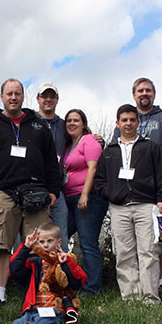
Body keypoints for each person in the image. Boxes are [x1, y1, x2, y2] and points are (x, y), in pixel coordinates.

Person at [0, 78, 61, 305]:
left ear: (23, 97)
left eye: (17, 94)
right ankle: (0, 293)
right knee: (0, 245)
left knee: (40, 245)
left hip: (37, 192)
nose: (13, 98)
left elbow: (52, 161)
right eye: (9, 94)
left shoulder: (38, 125)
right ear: (2, 97)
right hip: (3, 193)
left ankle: (39, 291)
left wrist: (53, 190)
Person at [94, 104, 162, 304]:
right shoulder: (109, 152)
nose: (128, 124)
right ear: (117, 123)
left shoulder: (150, 147)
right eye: (124, 120)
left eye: (132, 120)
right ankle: (130, 296)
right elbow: (99, 180)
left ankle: (150, 297)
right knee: (124, 253)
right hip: (119, 208)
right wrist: (111, 194)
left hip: (147, 205)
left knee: (148, 251)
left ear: (138, 122)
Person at [112, 78, 162, 298]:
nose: (144, 93)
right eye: (140, 90)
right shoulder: (127, 120)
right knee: (134, 242)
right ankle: (135, 288)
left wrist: (152, 167)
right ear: (134, 95)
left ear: (154, 93)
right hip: (133, 189)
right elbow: (117, 155)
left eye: (148, 90)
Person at [9, 223, 87, 324]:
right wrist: (26, 247)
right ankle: (33, 322)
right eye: (41, 242)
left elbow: (79, 282)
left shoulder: (65, 261)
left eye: (50, 241)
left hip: (55, 310)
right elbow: (14, 268)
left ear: (59, 242)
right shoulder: (34, 263)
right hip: (34, 310)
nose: (45, 245)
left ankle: (58, 323)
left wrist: (66, 263)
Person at [62, 109, 108, 295]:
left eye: (76, 120)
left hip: (88, 199)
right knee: (61, 235)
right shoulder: (67, 146)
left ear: (83, 123)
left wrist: (85, 195)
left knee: (88, 243)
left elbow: (93, 167)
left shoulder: (89, 140)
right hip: (69, 199)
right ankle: (66, 281)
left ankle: (92, 288)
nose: (72, 123)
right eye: (69, 121)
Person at [36, 82, 69, 250]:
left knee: (60, 234)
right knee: (34, 235)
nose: (48, 100)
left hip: (57, 186)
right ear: (38, 99)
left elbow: (82, 139)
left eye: (52, 96)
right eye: (44, 96)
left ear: (57, 99)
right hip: (34, 186)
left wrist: (98, 139)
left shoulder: (64, 125)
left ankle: (63, 272)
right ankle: (32, 275)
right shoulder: (31, 122)